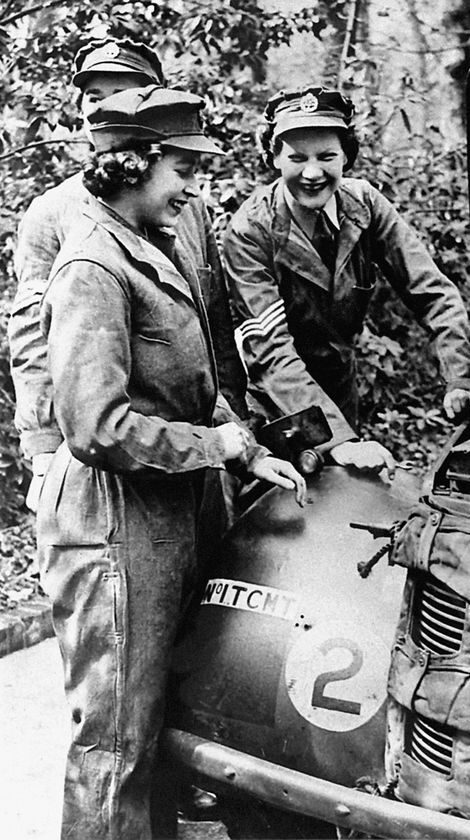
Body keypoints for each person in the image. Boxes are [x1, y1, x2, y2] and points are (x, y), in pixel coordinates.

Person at [36, 84, 307, 840]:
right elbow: (96, 425)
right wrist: (213, 447)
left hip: (170, 509)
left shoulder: (151, 244)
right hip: (114, 526)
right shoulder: (93, 264)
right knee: (115, 742)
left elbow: (188, 388)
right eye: (182, 167)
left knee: (161, 728)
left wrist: (245, 449)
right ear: (133, 164)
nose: (193, 186)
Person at [9, 38, 247, 512]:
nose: (107, 105)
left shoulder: (184, 205)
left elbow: (210, 318)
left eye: (125, 92)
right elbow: (33, 339)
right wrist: (42, 453)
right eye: (95, 95)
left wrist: (233, 426)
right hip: (108, 456)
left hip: (192, 445)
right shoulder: (54, 212)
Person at [223, 85, 470, 475]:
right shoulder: (250, 231)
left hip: (339, 395)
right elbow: (269, 353)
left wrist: (461, 376)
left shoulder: (364, 205)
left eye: (327, 156)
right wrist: (339, 442)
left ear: (347, 156)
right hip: (276, 408)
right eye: (296, 158)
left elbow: (432, 292)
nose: (312, 173)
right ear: (274, 159)